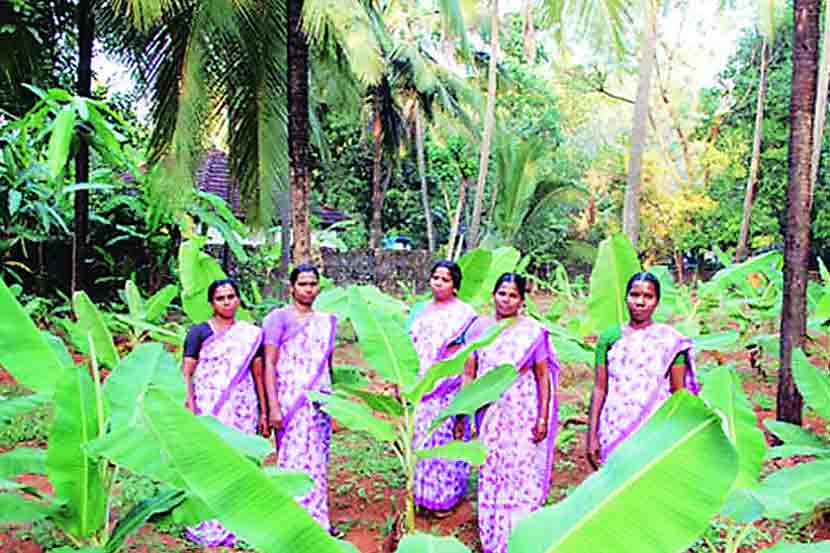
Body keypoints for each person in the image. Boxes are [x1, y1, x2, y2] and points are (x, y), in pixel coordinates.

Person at [456, 273, 559, 553]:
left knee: (520, 469)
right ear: (494, 295)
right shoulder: (479, 328)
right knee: (492, 468)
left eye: (513, 295)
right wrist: (461, 412)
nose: (506, 299)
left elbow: (542, 377)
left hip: (522, 409)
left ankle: (519, 537)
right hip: (489, 414)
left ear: (522, 300)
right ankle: (493, 535)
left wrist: (542, 417)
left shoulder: (533, 332)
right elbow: (469, 371)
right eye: (502, 293)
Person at [182, 278, 268, 547]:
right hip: (210, 404)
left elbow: (258, 373)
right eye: (221, 298)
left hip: (243, 405)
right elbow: (187, 372)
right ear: (211, 303)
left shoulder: (250, 334)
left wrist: (264, 410)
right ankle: (210, 519)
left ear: (238, 299)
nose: (227, 302)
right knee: (211, 459)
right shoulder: (199, 333)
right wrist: (190, 404)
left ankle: (240, 520)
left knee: (240, 459)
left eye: (231, 297)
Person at [585, 271, 699, 470]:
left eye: (648, 296)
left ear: (657, 301)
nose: (640, 302)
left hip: (654, 428)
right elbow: (600, 388)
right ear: (626, 297)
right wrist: (591, 435)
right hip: (614, 425)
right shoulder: (609, 337)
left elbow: (678, 394)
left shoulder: (670, 341)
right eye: (635, 295)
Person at [263, 264, 338, 534]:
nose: (309, 289)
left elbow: (327, 365)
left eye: (313, 284)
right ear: (291, 287)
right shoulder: (277, 319)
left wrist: (334, 404)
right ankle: (293, 523)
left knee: (317, 458)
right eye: (303, 284)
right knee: (293, 460)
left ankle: (317, 520)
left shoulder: (326, 321)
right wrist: (273, 407)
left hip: (319, 402)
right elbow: (269, 363)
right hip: (289, 401)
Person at [409, 261, 478, 516]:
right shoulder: (419, 311)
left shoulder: (466, 315)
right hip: (420, 388)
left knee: (445, 439)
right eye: (435, 277)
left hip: (448, 388)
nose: (438, 282)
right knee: (422, 439)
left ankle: (446, 497)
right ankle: (422, 493)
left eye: (445, 279)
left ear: (455, 285)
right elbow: (407, 347)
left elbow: (469, 354)